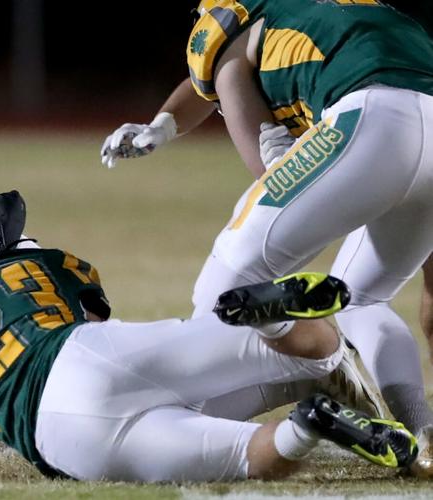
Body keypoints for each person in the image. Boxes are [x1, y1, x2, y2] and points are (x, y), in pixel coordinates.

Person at [0, 179, 418, 481]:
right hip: (90, 350)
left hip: (59, 435)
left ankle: (307, 428)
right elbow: (97, 321)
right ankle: (275, 317)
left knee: (253, 459)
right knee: (319, 354)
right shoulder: (42, 261)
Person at [119, 0, 433, 477]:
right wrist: (162, 125)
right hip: (414, 117)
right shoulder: (349, 11)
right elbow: (206, 88)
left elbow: (242, 118)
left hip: (374, 117)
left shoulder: (233, 19)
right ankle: (423, 436)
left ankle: (194, 416)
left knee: (230, 277)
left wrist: (276, 159)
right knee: (362, 299)